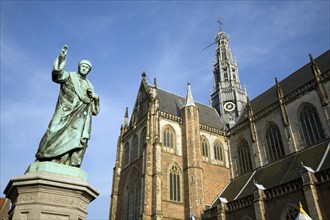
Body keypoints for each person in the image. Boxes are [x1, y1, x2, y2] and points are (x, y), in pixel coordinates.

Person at [35, 45, 100, 167]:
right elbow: (57, 76)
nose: (85, 68)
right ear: (79, 67)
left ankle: (67, 162)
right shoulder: (70, 76)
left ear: (89, 70)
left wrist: (96, 98)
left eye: (87, 67)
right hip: (65, 111)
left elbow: (94, 111)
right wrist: (62, 58)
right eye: (83, 66)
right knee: (52, 131)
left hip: (80, 118)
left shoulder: (89, 86)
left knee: (76, 140)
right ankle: (44, 157)